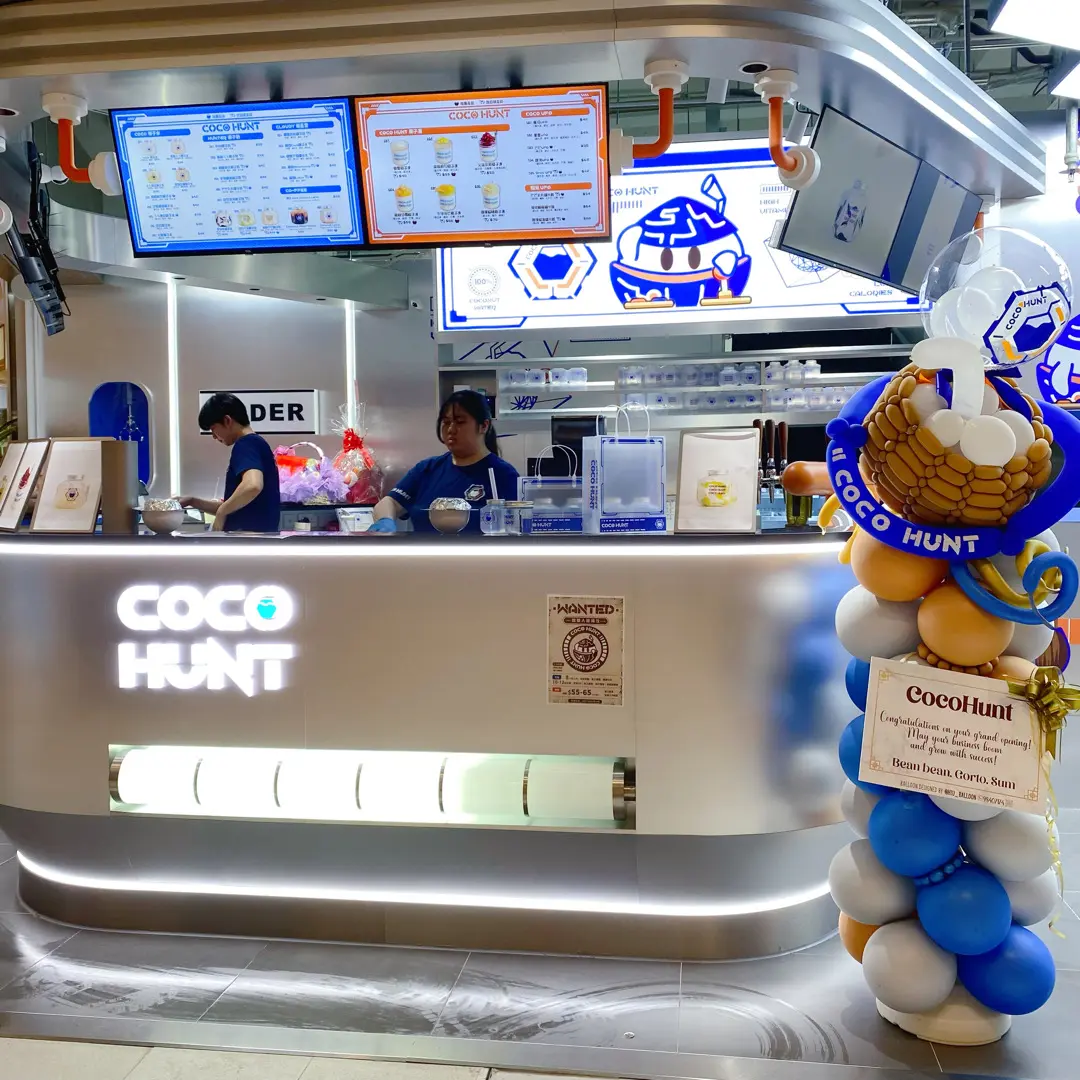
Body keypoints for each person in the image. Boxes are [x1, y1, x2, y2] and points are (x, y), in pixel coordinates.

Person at [371, 390, 519, 533]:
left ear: (484, 426)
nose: (451, 429)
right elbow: (390, 502)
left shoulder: (503, 475)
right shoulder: (427, 470)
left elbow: (516, 526)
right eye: (446, 422)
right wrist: (385, 520)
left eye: (460, 422)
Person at [179, 392, 281, 532]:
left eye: (213, 429)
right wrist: (192, 501)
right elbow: (234, 508)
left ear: (227, 421)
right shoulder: (257, 443)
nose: (214, 437)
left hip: (248, 539)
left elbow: (253, 485)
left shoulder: (246, 444)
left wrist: (222, 513)